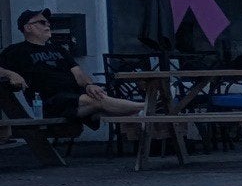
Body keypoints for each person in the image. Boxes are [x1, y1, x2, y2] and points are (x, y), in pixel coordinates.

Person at [0, 9, 144, 127]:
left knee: (99, 102)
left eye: (48, 22)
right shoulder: (17, 51)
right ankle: (147, 107)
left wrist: (89, 85)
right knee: (99, 102)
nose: (48, 25)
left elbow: (78, 73)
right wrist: (11, 74)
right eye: (42, 22)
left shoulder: (59, 49)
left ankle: (145, 114)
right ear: (28, 27)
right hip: (50, 100)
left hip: (74, 96)